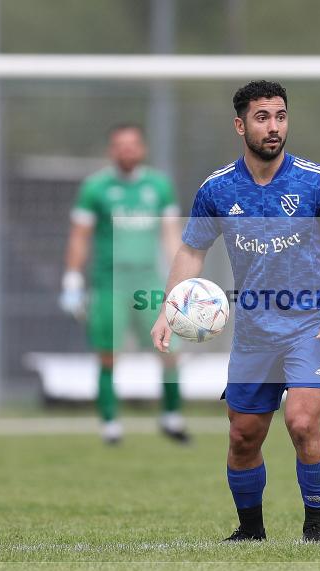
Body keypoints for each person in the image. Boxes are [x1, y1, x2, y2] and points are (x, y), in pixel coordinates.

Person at [151, 81, 320, 543]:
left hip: (311, 323)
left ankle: (316, 530)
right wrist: (170, 307)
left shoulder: (316, 181)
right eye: (263, 117)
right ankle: (250, 532)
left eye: (281, 116)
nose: (274, 127)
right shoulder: (218, 189)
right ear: (240, 124)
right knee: (243, 437)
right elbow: (191, 252)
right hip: (254, 330)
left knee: (302, 423)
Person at [61, 123, 189, 445]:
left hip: (149, 281)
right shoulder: (96, 188)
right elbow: (80, 236)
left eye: (133, 144)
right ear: (111, 150)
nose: (127, 150)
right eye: (120, 145)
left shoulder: (158, 186)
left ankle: (172, 417)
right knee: (108, 354)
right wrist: (72, 277)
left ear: (142, 148)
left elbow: (171, 235)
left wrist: (181, 280)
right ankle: (110, 424)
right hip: (110, 283)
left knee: (170, 349)